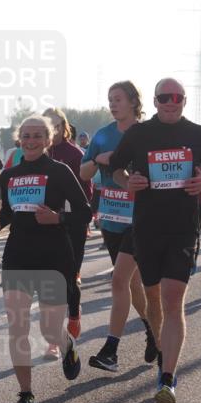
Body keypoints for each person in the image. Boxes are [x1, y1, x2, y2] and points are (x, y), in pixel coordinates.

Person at [109, 78, 201, 403]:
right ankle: (162, 352)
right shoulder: (139, 134)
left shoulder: (196, 133)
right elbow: (116, 169)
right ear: (156, 101)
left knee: (173, 299)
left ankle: (168, 377)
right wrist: (128, 181)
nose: (171, 103)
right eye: (164, 98)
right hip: (147, 227)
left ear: (185, 100)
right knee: (154, 298)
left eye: (177, 97)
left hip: (183, 227)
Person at [0, 115, 91, 403]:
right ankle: (26, 394)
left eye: (37, 135)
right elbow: (9, 212)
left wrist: (58, 218)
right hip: (17, 255)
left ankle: (66, 344)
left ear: (48, 139)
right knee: (17, 325)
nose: (31, 141)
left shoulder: (60, 171)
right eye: (26, 136)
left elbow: (85, 212)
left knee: (49, 330)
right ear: (19, 139)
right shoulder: (9, 175)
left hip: (53, 256)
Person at [81, 81, 158, 372]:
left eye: (118, 99)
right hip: (111, 217)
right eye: (110, 99)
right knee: (132, 285)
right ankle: (154, 332)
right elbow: (84, 173)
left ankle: (111, 351)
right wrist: (98, 159)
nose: (113, 104)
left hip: (141, 218)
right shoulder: (103, 135)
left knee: (118, 280)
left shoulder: (147, 134)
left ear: (133, 102)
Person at [44, 107, 91, 341]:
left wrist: (67, 213)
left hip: (71, 224)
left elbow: (86, 193)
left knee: (69, 279)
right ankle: (54, 337)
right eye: (48, 126)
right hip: (44, 225)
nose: (53, 131)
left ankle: (73, 314)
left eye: (57, 126)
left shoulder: (74, 154)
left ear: (64, 128)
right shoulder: (37, 155)